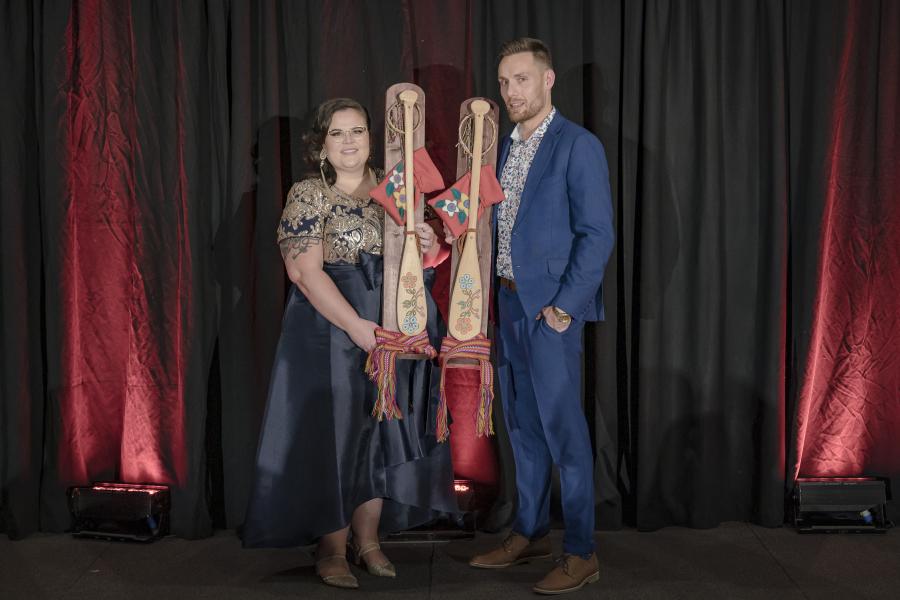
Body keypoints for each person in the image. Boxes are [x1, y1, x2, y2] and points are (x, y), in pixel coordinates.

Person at [242, 98, 458, 590]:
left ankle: (369, 540)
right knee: (336, 438)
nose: (349, 141)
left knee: (379, 434)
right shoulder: (308, 194)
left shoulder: (396, 188)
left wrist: (429, 246)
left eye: (357, 131)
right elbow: (304, 272)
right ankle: (332, 546)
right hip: (329, 335)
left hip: (391, 332)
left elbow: (421, 265)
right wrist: (357, 328)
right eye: (337, 133)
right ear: (320, 144)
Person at [464, 38, 614, 595]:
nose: (511, 92)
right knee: (522, 429)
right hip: (506, 306)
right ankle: (529, 531)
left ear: (548, 80)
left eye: (521, 79)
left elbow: (597, 235)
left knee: (563, 432)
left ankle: (582, 550)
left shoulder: (578, 146)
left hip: (550, 313)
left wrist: (563, 309)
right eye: (504, 82)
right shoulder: (498, 149)